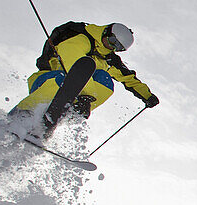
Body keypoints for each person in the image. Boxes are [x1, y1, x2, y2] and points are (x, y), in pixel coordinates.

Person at [11, 21, 159, 138]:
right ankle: (25, 114)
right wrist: (86, 96)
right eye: (113, 40)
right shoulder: (82, 37)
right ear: (106, 32)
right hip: (48, 81)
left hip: (74, 96)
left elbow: (130, 79)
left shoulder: (108, 58)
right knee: (66, 77)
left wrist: (147, 96)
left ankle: (61, 116)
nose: (112, 47)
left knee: (105, 80)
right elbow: (72, 62)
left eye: (118, 47)